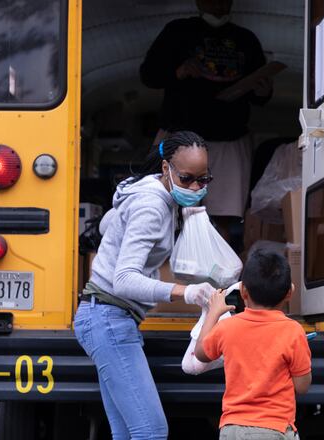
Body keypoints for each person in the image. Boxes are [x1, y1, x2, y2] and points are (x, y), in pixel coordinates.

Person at [74, 130, 218, 440]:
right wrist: (185, 292)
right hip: (109, 319)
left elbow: (106, 225)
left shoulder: (145, 192)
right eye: (187, 178)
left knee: (126, 433)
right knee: (151, 431)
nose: (195, 187)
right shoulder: (151, 206)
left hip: (103, 317)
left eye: (203, 179)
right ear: (166, 168)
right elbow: (124, 280)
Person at [139, 0, 274, 238]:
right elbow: (148, 75)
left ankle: (217, 258)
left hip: (230, 136)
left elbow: (260, 96)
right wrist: (179, 72)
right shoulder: (177, 31)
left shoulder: (246, 39)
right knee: (168, 208)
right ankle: (171, 258)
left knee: (223, 215)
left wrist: (263, 91)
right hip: (180, 134)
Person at [195, 250, 312, 439]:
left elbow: (200, 353)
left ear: (243, 291)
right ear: (289, 292)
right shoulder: (293, 331)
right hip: (275, 428)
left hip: (233, 429)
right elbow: (302, 387)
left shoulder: (227, 328)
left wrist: (213, 312)